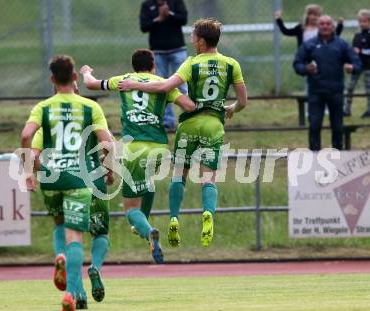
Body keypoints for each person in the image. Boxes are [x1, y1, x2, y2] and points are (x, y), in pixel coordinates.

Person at [119, 18, 248, 248]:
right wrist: (230, 109)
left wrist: (135, 85)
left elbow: (165, 86)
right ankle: (207, 213)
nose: (191, 40)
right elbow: (243, 101)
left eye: (193, 37)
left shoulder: (191, 63)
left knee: (179, 174)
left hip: (189, 124)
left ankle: (174, 218)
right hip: (213, 125)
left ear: (200, 41)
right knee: (208, 178)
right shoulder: (231, 64)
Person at [79, 49, 195, 263]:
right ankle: (143, 227)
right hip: (159, 146)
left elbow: (92, 84)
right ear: (153, 66)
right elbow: (189, 105)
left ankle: (146, 229)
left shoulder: (124, 80)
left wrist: (86, 72)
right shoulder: (163, 83)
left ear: (133, 66)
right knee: (147, 181)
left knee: (130, 208)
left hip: (134, 148)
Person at [21, 55, 115, 311]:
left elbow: (28, 136)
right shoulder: (89, 108)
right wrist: (110, 169)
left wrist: (30, 171)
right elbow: (108, 143)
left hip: (52, 178)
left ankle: (60, 258)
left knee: (60, 226)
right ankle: (73, 293)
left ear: (52, 79)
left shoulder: (44, 109)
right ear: (75, 79)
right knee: (81, 235)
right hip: (82, 179)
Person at [293, 16, 361, 151]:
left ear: (333, 27)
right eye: (322, 24)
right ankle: (314, 155)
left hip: (335, 91)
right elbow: (297, 63)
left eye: (328, 24)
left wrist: (352, 68)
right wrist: (305, 69)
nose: (325, 26)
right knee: (314, 125)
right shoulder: (309, 44)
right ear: (318, 26)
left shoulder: (342, 44)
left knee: (337, 126)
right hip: (315, 92)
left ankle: (338, 155)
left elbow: (357, 63)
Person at [140, 0, 188, 130]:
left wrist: (169, 13)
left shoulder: (176, 3)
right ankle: (168, 121)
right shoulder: (147, 5)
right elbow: (144, 26)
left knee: (183, 84)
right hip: (158, 52)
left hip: (178, 49)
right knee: (161, 86)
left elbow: (183, 19)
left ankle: (190, 116)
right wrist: (159, 18)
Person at [344, 9, 370, 118]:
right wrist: (349, 62)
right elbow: (353, 51)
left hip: (367, 66)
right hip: (356, 66)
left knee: (368, 88)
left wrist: (362, 52)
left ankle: (369, 110)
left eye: (364, 21)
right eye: (360, 21)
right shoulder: (357, 35)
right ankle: (347, 110)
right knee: (350, 87)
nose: (362, 24)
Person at [275, 4, 344, 49]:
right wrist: (278, 20)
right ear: (308, 15)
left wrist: (340, 25)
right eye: (313, 15)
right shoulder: (301, 28)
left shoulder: (322, 28)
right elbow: (286, 32)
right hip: (305, 57)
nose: (315, 17)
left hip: (320, 56)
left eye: (318, 15)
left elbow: (335, 35)